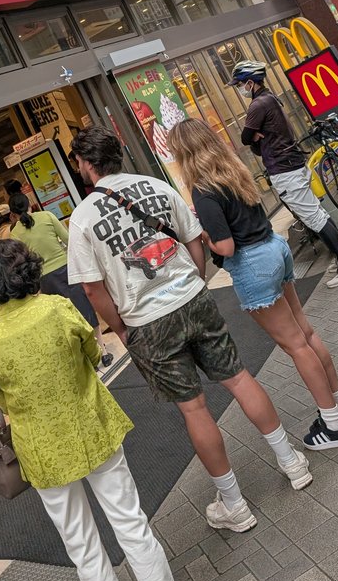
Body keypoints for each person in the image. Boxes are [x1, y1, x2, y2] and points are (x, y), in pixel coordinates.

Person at [68, 125, 312, 534]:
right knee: (238, 377)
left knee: (195, 408)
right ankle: (291, 460)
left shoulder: (83, 219)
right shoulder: (156, 186)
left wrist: (122, 329)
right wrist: (195, 280)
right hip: (193, 298)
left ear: (86, 163)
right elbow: (194, 240)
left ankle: (234, 504)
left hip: (147, 321)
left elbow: (93, 289)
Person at [0, 240, 182, 581]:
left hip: (43, 453)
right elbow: (91, 351)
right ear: (27, 270)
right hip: (92, 426)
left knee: (82, 547)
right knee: (130, 523)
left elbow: (1, 398)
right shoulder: (57, 308)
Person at [169, 119, 338, 450]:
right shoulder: (234, 171)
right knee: (306, 334)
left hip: (253, 266)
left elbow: (225, 247)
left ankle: (334, 427)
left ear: (184, 153)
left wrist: (201, 233)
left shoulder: (203, 190)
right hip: (275, 248)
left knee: (295, 346)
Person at [229, 60, 338, 289]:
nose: (239, 89)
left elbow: (244, 138)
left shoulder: (258, 105)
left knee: (314, 217)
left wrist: (253, 137)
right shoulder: (271, 98)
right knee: (316, 213)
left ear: (250, 83)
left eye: (240, 84)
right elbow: (251, 139)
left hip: (284, 169)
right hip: (292, 164)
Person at [8, 193, 113, 368]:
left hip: (44, 279)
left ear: (13, 214)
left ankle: (86, 357)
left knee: (65, 317)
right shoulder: (47, 216)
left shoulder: (14, 234)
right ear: (30, 205)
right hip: (67, 270)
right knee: (84, 308)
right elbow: (68, 240)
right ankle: (102, 352)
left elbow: (22, 262)